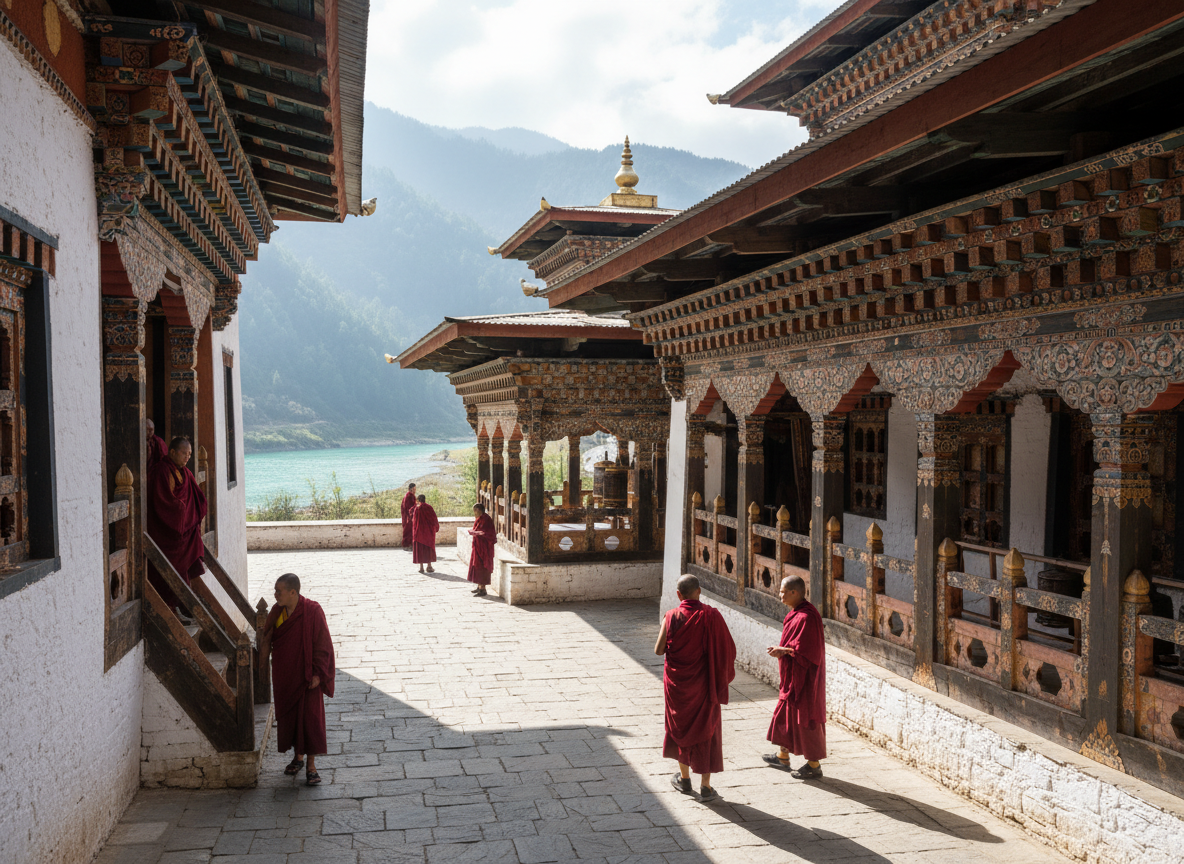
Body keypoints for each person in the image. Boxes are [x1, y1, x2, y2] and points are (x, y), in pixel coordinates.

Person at [655, 574, 736, 803]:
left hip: (678, 686)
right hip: (703, 685)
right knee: (706, 730)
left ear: (678, 595)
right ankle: (706, 786)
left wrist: (666, 624)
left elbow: (659, 650)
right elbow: (727, 649)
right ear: (699, 591)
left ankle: (684, 779)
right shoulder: (711, 616)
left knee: (680, 727)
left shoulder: (671, 617)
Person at [259, 573, 335, 786]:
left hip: (307, 676)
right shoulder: (277, 612)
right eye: (275, 591)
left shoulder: (313, 611)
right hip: (285, 675)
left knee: (310, 720)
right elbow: (267, 639)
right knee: (290, 718)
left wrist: (319, 674)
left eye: (279, 591)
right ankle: (297, 757)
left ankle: (311, 766)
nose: (275, 595)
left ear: (293, 592)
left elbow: (323, 644)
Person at [763, 575, 827, 779]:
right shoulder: (796, 613)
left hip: (805, 679)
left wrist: (783, 650)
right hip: (793, 676)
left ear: (795, 593)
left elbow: (809, 652)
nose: (779, 594)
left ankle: (814, 764)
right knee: (785, 715)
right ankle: (783, 756)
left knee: (806, 718)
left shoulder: (807, 617)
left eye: (783, 591)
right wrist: (783, 650)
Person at [146, 436, 207, 617]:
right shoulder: (162, 471)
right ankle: (173, 605)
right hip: (167, 532)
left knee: (183, 564)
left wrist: (186, 513)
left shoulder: (186, 473)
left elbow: (199, 500)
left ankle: (180, 604)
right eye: (184, 453)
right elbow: (163, 502)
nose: (187, 457)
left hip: (183, 531)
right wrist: (182, 510)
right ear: (172, 452)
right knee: (170, 567)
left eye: (189, 454)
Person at [467, 502, 495, 597]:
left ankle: (483, 589)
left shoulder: (486, 519)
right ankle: (479, 586)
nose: (474, 513)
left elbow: (489, 534)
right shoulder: (479, 519)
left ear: (479, 510)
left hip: (484, 549)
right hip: (478, 547)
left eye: (475, 510)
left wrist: (477, 533)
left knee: (482, 567)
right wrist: (474, 532)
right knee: (476, 566)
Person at [412, 493, 439, 574]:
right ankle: (429, 566)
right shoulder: (429, 507)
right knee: (428, 548)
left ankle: (421, 568)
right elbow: (434, 519)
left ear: (418, 500)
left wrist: (414, 532)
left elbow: (414, 522)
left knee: (420, 549)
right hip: (428, 533)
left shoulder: (417, 509)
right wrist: (436, 528)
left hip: (419, 533)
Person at [400, 483, 417, 550]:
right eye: (414, 489)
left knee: (408, 531)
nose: (415, 490)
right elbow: (410, 507)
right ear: (411, 489)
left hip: (406, 516)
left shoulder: (407, 495)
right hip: (409, 517)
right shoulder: (410, 496)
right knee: (409, 531)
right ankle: (407, 545)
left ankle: (408, 545)